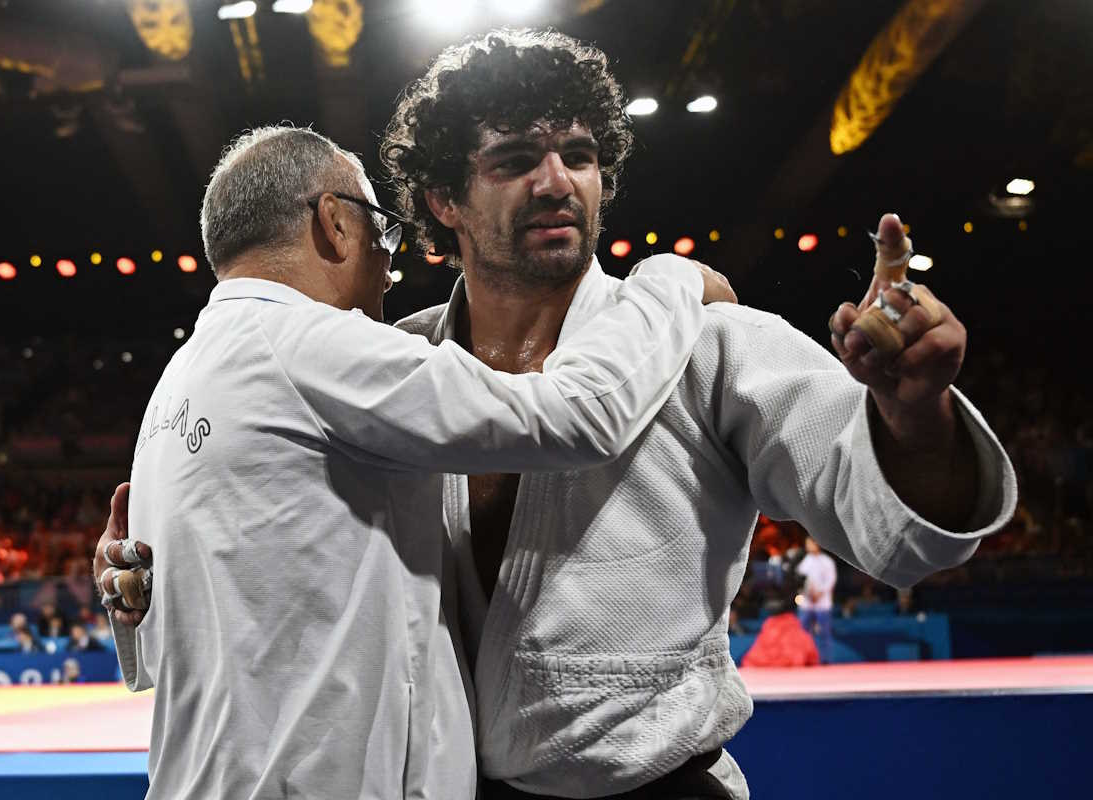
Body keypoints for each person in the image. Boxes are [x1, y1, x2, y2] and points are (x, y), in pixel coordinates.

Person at [102, 30, 1016, 800]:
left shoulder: (710, 344)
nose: (555, 182)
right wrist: (156, 572)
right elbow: (286, 546)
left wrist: (916, 410)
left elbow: (904, 541)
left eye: (579, 156)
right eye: (512, 161)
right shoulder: (392, 366)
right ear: (442, 201)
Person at [94, 123, 719, 800]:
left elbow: (154, 647)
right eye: (380, 231)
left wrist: (131, 602)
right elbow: (575, 416)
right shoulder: (312, 344)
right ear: (334, 222)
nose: (388, 264)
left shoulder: (177, 386)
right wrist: (669, 284)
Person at [795, 537, 837, 663]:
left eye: (811, 543)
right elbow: (799, 580)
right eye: (807, 544)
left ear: (817, 544)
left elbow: (830, 580)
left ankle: (825, 660)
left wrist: (820, 592)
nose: (808, 546)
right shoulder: (804, 562)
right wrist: (808, 592)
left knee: (824, 632)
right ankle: (804, 658)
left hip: (822, 602)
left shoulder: (827, 562)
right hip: (807, 603)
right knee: (804, 633)